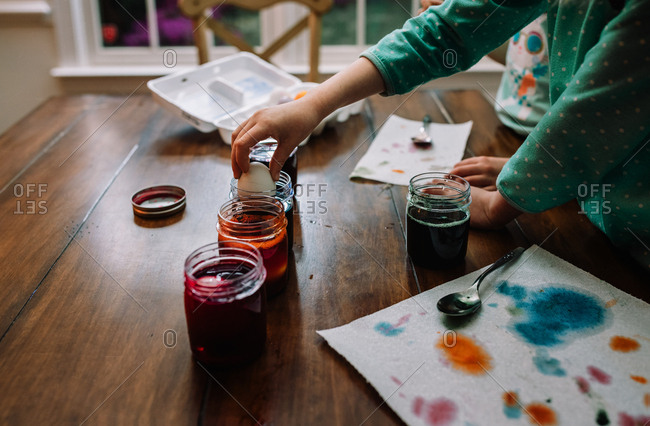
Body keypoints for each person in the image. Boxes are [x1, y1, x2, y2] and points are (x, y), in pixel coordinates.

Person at [231, 0, 650, 269]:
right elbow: (448, 30)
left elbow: (593, 115)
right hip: (598, 205)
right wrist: (311, 105)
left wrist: (503, 203)